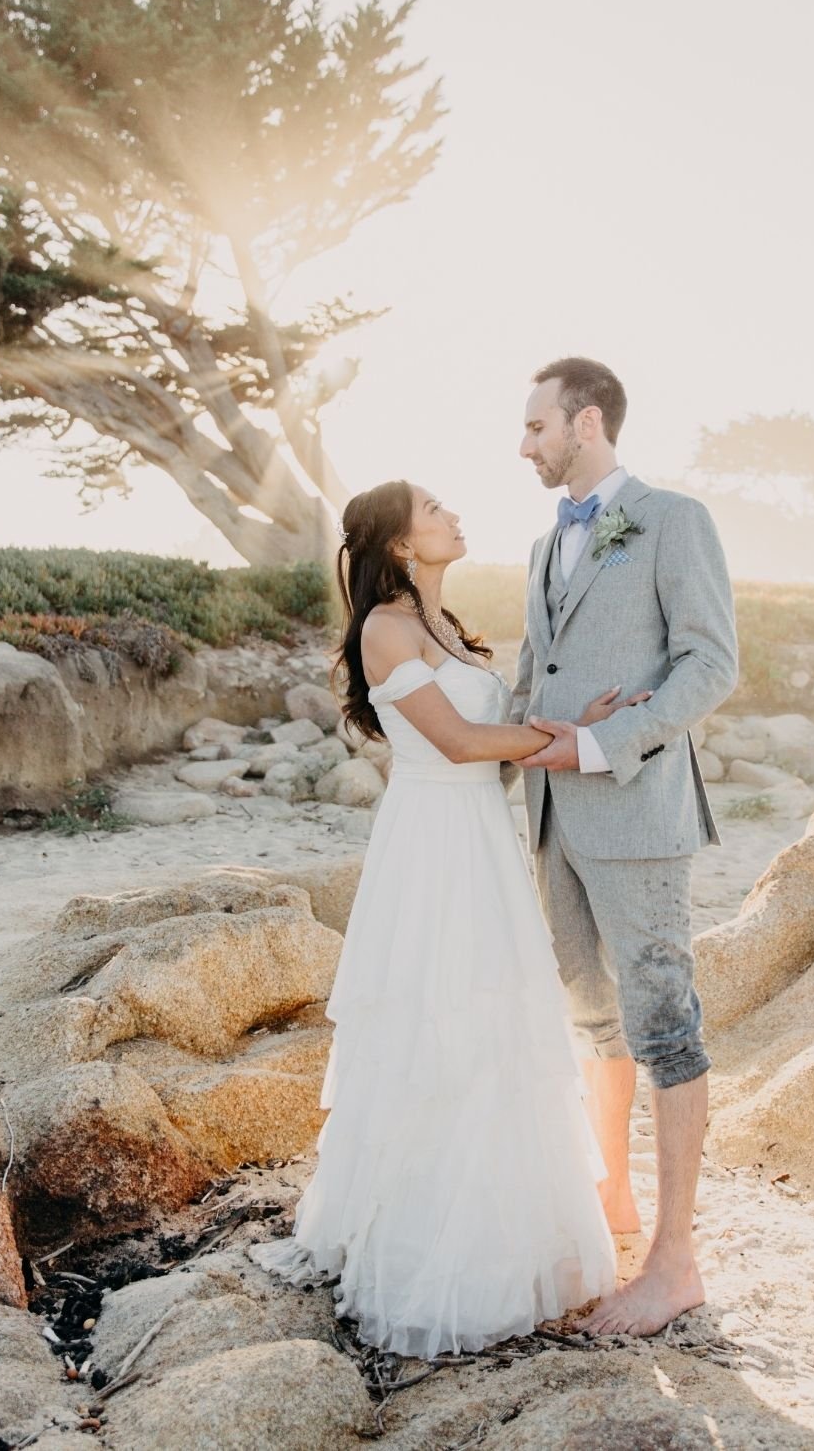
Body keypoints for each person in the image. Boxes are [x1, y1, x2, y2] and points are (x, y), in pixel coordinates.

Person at [249, 478, 645, 1358]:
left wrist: (572, 723)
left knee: (498, 1021)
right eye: (433, 510)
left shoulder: (449, 628)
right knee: (438, 1027)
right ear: (398, 543)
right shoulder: (385, 628)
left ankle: (511, 1232)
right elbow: (462, 745)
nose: (453, 515)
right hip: (431, 845)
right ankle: (430, 1246)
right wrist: (571, 742)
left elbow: (491, 755)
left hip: (479, 836)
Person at [511, 356, 738, 1337]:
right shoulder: (538, 546)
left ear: (586, 421)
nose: (522, 444)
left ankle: (674, 1262)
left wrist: (601, 742)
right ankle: (612, 1211)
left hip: (636, 809)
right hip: (553, 821)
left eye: (534, 426)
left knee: (662, 1024)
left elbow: (710, 663)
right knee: (595, 1025)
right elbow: (534, 675)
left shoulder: (672, 518)